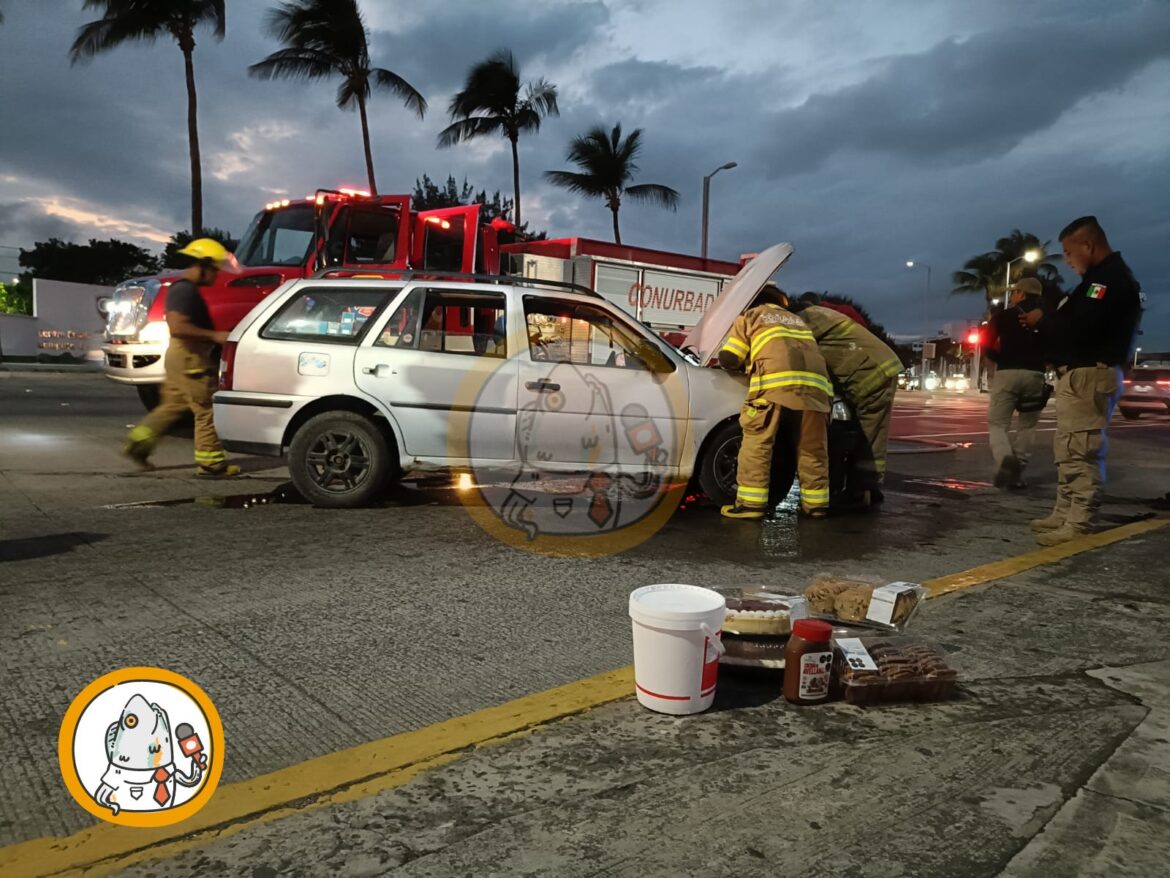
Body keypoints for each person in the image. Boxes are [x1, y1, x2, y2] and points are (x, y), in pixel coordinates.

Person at [1019, 216, 1142, 545]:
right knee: (1069, 447)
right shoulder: (1099, 280)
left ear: (1088, 245)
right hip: (1080, 374)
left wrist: (1043, 321)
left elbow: (1080, 330)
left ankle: (1080, 520)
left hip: (1091, 373)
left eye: (1070, 253)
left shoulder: (1108, 282)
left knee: (1081, 450)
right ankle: (1065, 511)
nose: (1068, 261)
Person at [123, 239, 240, 477]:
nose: (217, 275)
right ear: (204, 265)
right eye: (215, 269)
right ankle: (211, 464)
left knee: (172, 407)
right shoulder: (185, 290)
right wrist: (215, 335)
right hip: (190, 358)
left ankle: (139, 444)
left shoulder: (182, 289)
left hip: (178, 356)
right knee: (206, 409)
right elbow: (178, 327)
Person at [718, 287, 833, 519]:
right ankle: (816, 506)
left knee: (757, 443)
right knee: (812, 450)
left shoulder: (750, 316)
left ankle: (750, 506)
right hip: (817, 390)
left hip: (774, 387)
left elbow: (730, 357)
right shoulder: (799, 322)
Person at [790, 298, 903, 503]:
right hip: (878, 369)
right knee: (869, 435)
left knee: (868, 436)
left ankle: (860, 492)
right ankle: (869, 488)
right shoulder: (827, 314)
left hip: (871, 374)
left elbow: (792, 345)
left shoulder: (809, 317)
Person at [984, 277, 1048, 489]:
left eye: (1014, 293)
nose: (1012, 296)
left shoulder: (1004, 316)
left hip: (1008, 372)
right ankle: (1018, 468)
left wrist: (999, 359)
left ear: (1021, 293)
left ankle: (1005, 460)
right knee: (1028, 426)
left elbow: (986, 343)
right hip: (1035, 374)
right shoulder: (1047, 317)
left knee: (998, 424)